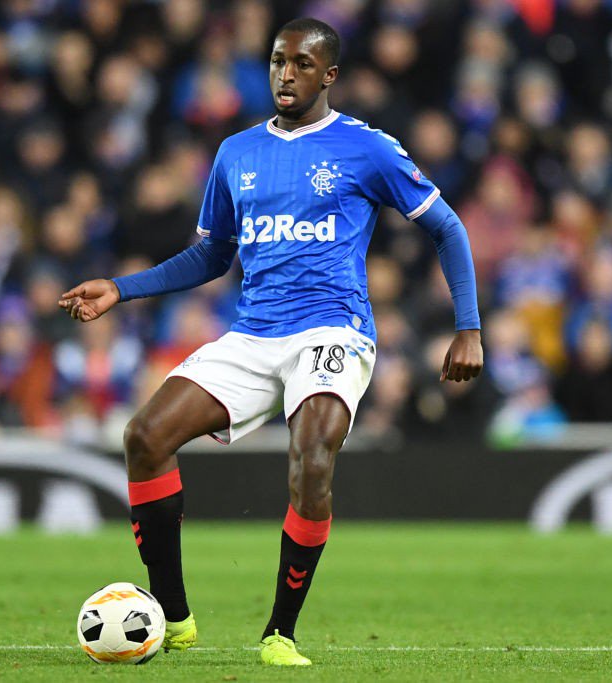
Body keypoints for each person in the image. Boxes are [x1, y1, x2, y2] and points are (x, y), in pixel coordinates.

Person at [59, 18, 482, 667]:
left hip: (333, 329)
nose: (287, 74)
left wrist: (468, 326)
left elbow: (447, 228)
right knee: (144, 436)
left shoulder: (367, 148)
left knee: (311, 456)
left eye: (302, 64)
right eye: (279, 61)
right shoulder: (237, 152)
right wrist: (122, 287)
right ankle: (173, 616)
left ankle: (280, 633)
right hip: (254, 333)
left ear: (329, 75)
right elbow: (211, 257)